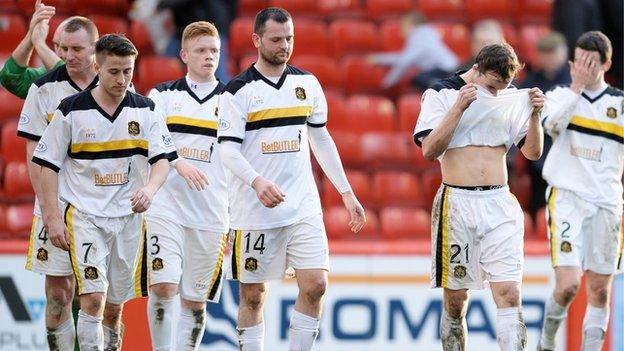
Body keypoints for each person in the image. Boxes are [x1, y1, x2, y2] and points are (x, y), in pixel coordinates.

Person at [217, 7, 366, 351]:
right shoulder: (237, 92)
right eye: (276, 39)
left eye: (289, 38)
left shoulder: (307, 83)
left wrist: (346, 192)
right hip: (255, 210)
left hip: (302, 205)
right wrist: (257, 182)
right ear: (256, 40)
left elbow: (321, 138)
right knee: (253, 296)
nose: (284, 46)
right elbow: (227, 151)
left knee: (316, 285)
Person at [33, 33, 176, 351]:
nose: (123, 78)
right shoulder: (70, 111)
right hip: (84, 217)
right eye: (114, 71)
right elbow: (46, 165)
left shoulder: (147, 110)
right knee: (93, 299)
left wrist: (150, 190)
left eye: (128, 70)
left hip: (128, 220)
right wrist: (52, 217)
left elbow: (163, 161)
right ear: (97, 66)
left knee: (114, 307)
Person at [414, 43, 546, 350]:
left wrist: (536, 116)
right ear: (476, 69)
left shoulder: (510, 97)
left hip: (499, 202)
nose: (496, 94)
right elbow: (430, 151)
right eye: (491, 86)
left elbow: (532, 151)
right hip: (457, 204)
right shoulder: (441, 94)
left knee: (510, 294)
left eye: (504, 87)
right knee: (457, 300)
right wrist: (458, 108)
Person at [536, 31, 623, 351]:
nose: (584, 68)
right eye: (579, 61)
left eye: (591, 63)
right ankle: (546, 342)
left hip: (607, 204)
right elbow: (552, 127)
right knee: (569, 286)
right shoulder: (559, 95)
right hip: (568, 197)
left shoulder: (619, 105)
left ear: (607, 64)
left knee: (600, 292)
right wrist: (575, 88)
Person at [18, 16, 100, 350]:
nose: (68, 55)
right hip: (58, 203)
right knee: (57, 294)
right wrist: (50, 214)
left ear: (95, 48)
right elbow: (33, 156)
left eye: (77, 48)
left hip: (102, 207)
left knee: (98, 299)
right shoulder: (44, 89)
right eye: (62, 48)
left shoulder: (116, 85)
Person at [146, 21, 228, 351]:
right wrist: (177, 161)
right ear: (184, 54)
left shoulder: (233, 100)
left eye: (214, 51)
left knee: (195, 302)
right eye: (201, 51)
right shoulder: (162, 95)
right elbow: (150, 137)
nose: (209, 57)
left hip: (211, 210)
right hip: (166, 206)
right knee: (163, 287)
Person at [521, 32, 571, 217]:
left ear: (564, 53)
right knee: (540, 204)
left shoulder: (574, 81)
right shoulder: (530, 81)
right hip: (540, 156)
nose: (549, 58)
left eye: (553, 52)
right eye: (545, 53)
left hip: (569, 152)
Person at [367, 11, 458, 90]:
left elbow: (404, 62)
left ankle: (444, 89)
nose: (401, 30)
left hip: (443, 69)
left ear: (410, 24)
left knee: (418, 79)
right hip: (450, 67)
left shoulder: (417, 36)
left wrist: (387, 83)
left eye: (403, 25)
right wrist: (379, 59)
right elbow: (404, 57)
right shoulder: (426, 32)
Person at [0, 0, 65, 99]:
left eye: (77, 49)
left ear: (93, 49)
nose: (67, 55)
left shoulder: (94, 78)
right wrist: (31, 35)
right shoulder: (50, 77)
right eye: (59, 46)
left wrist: (39, 43)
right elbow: (11, 79)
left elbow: (68, 79)